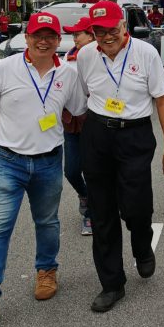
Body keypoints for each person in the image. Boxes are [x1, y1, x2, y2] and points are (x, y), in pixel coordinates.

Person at [0, 12, 87, 320]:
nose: (43, 41)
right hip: (7, 161)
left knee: (47, 222)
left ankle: (46, 271)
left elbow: (79, 110)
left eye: (50, 36)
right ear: (26, 38)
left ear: (58, 40)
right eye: (37, 35)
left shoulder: (67, 74)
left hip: (49, 160)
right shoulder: (3, 70)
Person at [77, 0, 164, 313]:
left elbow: (162, 101)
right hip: (97, 135)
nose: (106, 37)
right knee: (102, 212)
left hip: (134, 134)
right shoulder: (84, 56)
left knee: (136, 207)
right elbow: (84, 96)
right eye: (99, 31)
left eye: (111, 29)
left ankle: (142, 245)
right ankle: (112, 283)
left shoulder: (146, 53)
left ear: (123, 27)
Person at [62, 17, 95, 236]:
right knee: (71, 170)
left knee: (93, 170)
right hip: (71, 121)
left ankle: (90, 215)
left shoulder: (99, 56)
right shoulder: (68, 55)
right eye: (73, 35)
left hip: (94, 120)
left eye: (79, 34)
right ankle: (84, 195)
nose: (75, 38)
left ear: (92, 35)